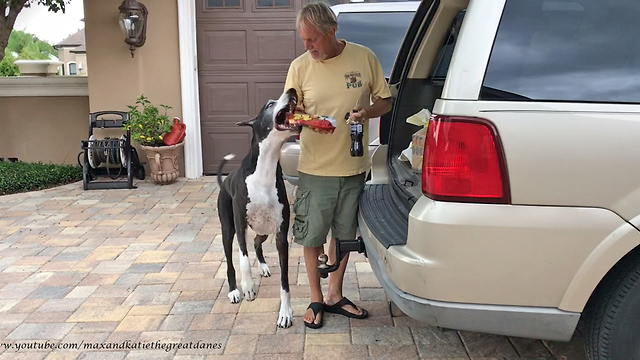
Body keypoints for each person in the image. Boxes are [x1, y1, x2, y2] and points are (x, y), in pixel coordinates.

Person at [284, 1, 393, 329]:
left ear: (332, 32)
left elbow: (385, 102)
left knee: (344, 236)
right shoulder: (300, 67)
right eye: (303, 40)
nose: (307, 46)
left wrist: (366, 113)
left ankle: (335, 294)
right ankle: (316, 298)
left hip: (354, 167)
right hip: (315, 169)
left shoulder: (364, 57)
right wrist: (312, 122)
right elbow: (289, 113)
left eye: (312, 39)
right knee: (311, 236)